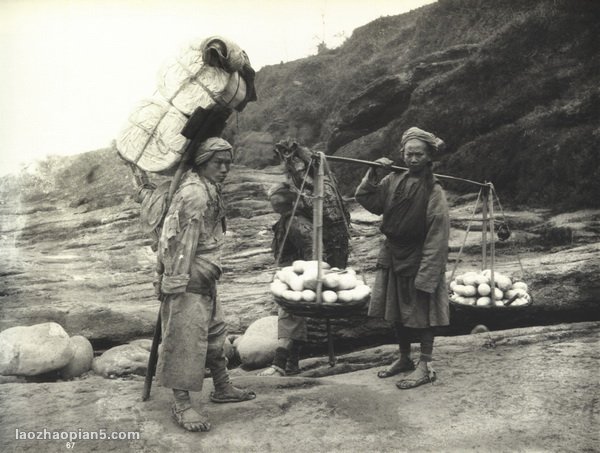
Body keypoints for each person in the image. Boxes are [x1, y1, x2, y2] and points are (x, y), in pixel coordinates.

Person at [155, 137, 256, 432]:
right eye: (218, 163)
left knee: (214, 333)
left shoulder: (210, 187)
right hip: (188, 280)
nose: (224, 168)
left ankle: (222, 387)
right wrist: (174, 281)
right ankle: (183, 404)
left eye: (228, 163)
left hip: (205, 277)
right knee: (183, 340)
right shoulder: (194, 194)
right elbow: (177, 242)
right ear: (203, 163)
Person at [355, 127, 450, 390]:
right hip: (393, 253)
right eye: (409, 154)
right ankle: (405, 357)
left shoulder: (434, 190)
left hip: (419, 256)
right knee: (396, 310)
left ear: (429, 157)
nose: (413, 159)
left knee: (422, 312)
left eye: (419, 154)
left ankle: (426, 365)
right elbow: (369, 201)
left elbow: (438, 232)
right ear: (402, 154)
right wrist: (373, 175)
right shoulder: (393, 181)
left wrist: (429, 271)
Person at [259, 180, 350, 377]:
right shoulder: (287, 219)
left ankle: (280, 365)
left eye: (276, 199)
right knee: (293, 318)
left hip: (298, 275)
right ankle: (292, 363)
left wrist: (310, 274)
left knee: (289, 318)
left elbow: (314, 249)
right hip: (290, 274)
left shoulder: (296, 222)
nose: (273, 202)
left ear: (288, 201)